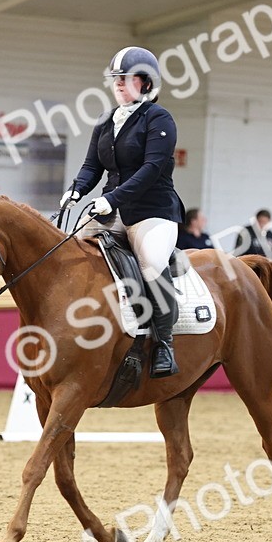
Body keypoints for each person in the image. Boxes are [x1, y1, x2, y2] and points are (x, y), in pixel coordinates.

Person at [61, 46, 186, 378]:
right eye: (115, 79)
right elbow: (92, 166)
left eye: (125, 78)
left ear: (144, 83)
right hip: (110, 208)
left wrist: (112, 198)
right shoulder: (105, 120)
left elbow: (152, 169)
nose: (118, 84)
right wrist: (76, 190)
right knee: (68, 249)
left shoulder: (159, 119)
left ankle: (164, 345)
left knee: (151, 262)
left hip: (153, 211)